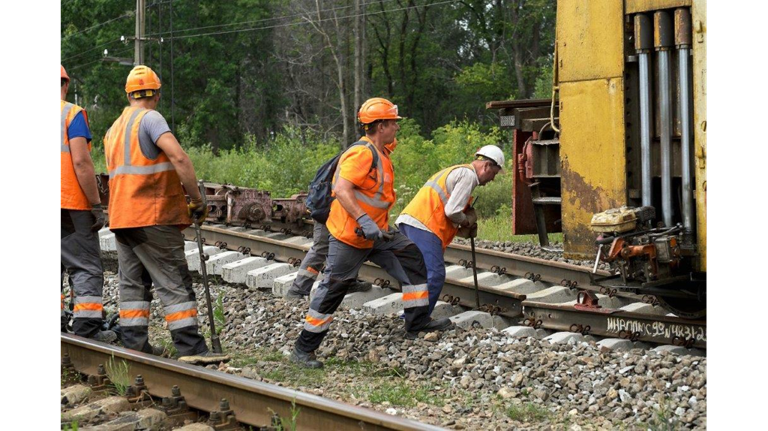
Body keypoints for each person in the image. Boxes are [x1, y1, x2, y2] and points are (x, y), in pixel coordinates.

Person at [291, 98, 452, 369]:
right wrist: (364, 220)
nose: (397, 129)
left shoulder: (381, 152)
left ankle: (417, 322)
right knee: (333, 289)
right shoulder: (362, 153)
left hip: (377, 234)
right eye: (392, 124)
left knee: (412, 257)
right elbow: (341, 189)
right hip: (351, 237)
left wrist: (374, 225)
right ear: (379, 126)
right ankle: (303, 349)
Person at [103, 65, 228, 364]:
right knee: (173, 279)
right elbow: (180, 157)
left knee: (133, 283)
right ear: (156, 95)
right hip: (152, 215)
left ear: (129, 94)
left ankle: (134, 344)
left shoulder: (114, 128)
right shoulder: (151, 118)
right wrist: (196, 199)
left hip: (121, 218)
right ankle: (190, 348)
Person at [396, 146, 505, 315]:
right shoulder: (468, 176)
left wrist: (460, 225)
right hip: (424, 225)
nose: (492, 179)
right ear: (487, 166)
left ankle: (409, 316)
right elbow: (452, 211)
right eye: (494, 174)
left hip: (410, 222)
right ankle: (418, 319)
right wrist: (466, 221)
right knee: (435, 275)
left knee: (419, 276)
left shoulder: (457, 170)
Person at [60, 64, 115, 342]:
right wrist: (96, 204)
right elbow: (81, 161)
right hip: (69, 205)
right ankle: (86, 331)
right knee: (85, 267)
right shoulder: (72, 113)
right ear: (66, 85)